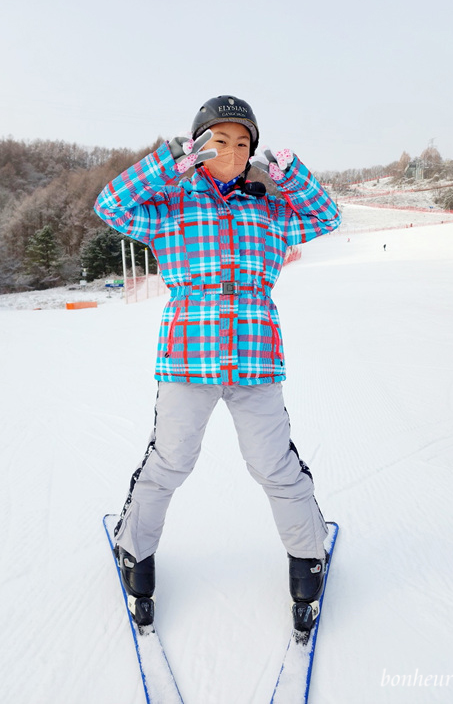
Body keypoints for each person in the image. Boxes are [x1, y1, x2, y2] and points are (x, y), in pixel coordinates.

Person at [94, 95, 341, 633]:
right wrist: (170, 162)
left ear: (255, 153)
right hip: (188, 359)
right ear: (197, 147)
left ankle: (307, 554)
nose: (232, 150)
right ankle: (134, 547)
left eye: (243, 142)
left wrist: (290, 173)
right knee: (171, 461)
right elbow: (109, 206)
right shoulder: (171, 206)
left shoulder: (272, 210)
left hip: (255, 360)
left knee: (273, 464)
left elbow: (327, 217)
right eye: (217, 140)